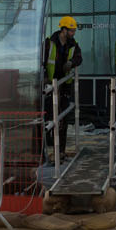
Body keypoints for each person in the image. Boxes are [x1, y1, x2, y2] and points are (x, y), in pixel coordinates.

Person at [42, 16, 83, 154]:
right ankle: (47, 145)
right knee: (48, 115)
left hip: (64, 84)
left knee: (63, 117)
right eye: (71, 30)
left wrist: (71, 63)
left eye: (74, 31)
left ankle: (60, 151)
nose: (73, 33)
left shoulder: (73, 44)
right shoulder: (50, 43)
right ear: (63, 30)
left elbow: (79, 57)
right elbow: (42, 60)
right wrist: (45, 77)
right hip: (50, 84)